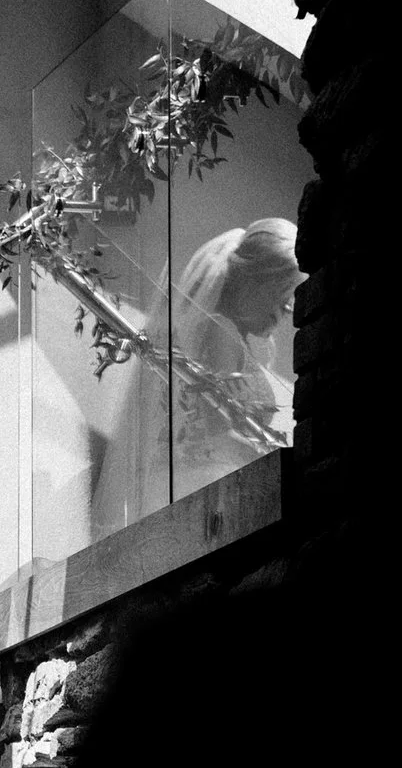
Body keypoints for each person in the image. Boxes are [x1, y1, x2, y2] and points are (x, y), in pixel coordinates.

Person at [89, 217, 303, 533]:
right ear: (254, 282)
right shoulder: (221, 333)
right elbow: (217, 436)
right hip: (205, 491)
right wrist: (283, 462)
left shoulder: (221, 332)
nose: (287, 309)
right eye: (283, 294)